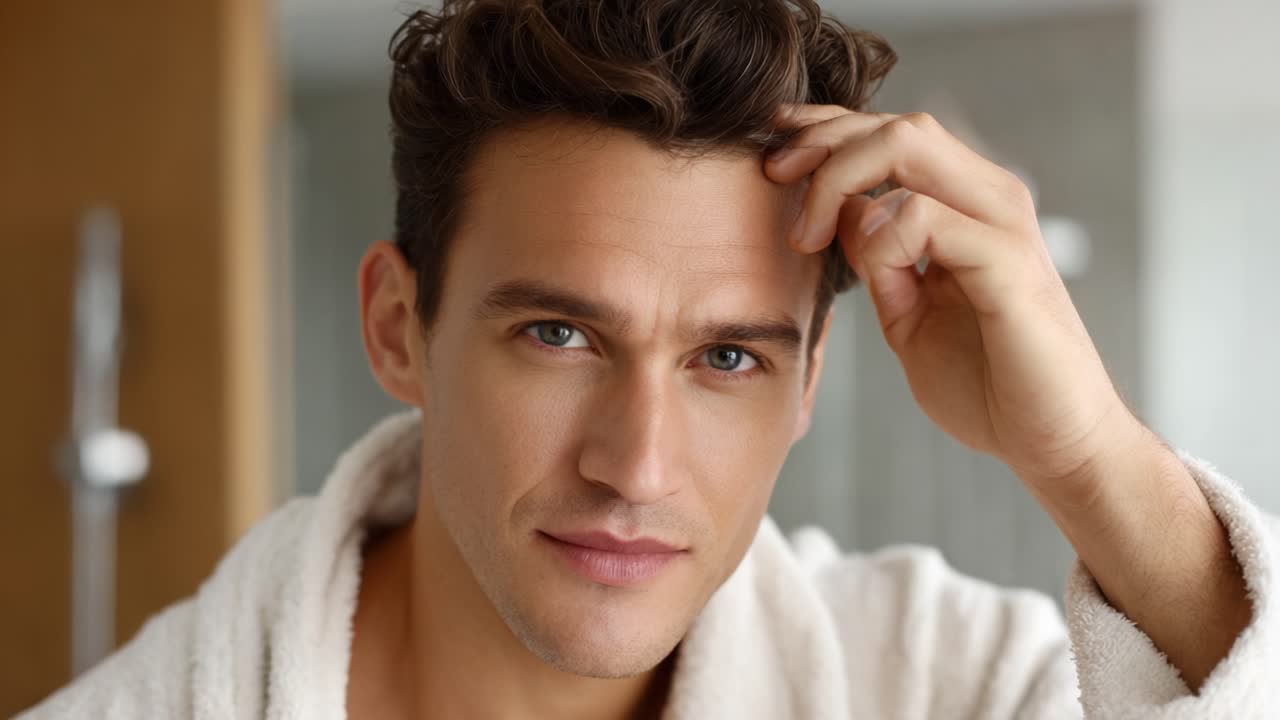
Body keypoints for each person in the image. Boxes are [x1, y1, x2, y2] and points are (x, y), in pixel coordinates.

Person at [21, 1, 1279, 718]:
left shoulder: (946, 688)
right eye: (558, 334)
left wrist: (1084, 456)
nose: (637, 465)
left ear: (809, 381)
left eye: (727, 356)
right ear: (399, 327)